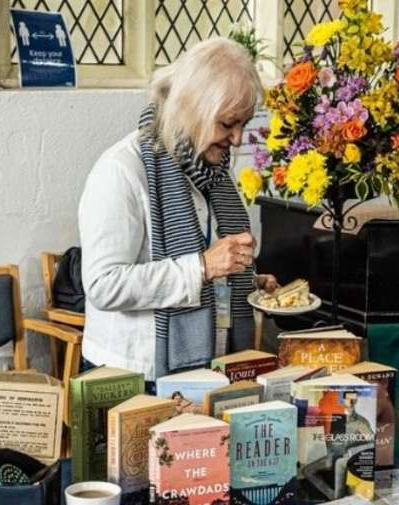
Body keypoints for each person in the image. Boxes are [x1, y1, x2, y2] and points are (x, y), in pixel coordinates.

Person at [78, 36, 279, 391]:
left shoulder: (212, 171)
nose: (236, 139)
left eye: (243, 124)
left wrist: (247, 280)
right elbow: (102, 285)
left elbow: (210, 259)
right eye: (227, 124)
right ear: (192, 109)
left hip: (209, 371)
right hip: (134, 374)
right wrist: (202, 267)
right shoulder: (121, 170)